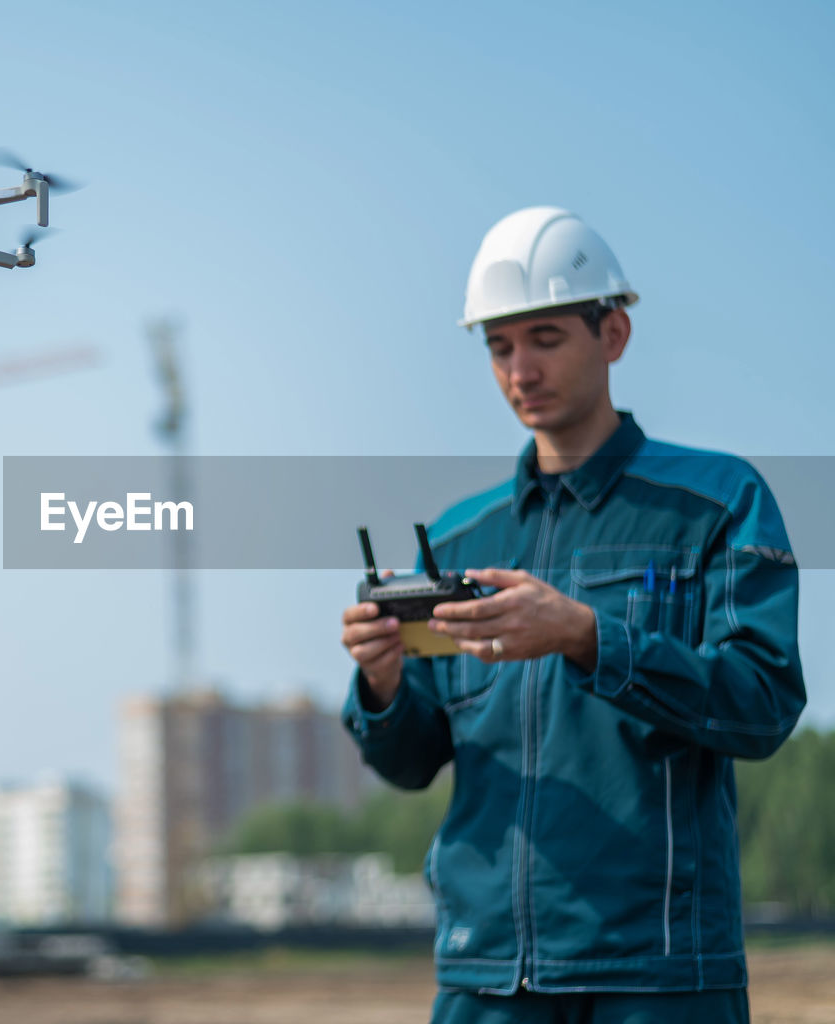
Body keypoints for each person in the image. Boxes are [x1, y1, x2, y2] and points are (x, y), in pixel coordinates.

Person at [340, 206, 806, 1024]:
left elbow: (762, 704)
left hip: (658, 977)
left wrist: (589, 639)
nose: (520, 369)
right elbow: (415, 762)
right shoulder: (457, 540)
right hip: (483, 979)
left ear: (614, 333)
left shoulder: (716, 503)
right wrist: (380, 685)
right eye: (498, 347)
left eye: (545, 338)